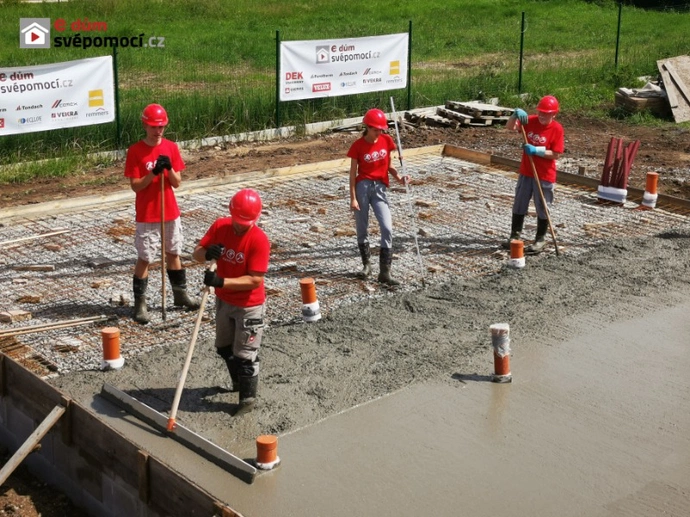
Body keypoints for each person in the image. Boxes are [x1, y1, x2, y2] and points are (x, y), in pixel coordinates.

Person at [193, 188, 270, 416]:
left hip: (249, 305)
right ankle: (238, 382)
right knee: (224, 347)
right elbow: (196, 252)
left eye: (245, 222)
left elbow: (255, 280)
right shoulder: (220, 227)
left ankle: (247, 401)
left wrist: (221, 281)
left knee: (245, 355)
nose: (239, 226)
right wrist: (207, 254)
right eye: (237, 221)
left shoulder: (259, 240)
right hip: (224, 301)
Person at [124, 103, 199, 324]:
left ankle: (180, 294)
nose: (158, 131)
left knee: (173, 252)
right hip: (148, 213)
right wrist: (153, 173)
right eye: (154, 127)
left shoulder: (171, 147)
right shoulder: (136, 151)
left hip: (170, 211)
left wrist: (168, 169)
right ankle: (140, 304)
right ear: (145, 126)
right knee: (146, 257)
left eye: (162, 127)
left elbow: (177, 183)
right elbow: (136, 186)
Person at [348, 108, 410, 285]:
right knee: (362, 226)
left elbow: (389, 166)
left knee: (387, 227)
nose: (379, 132)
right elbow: (353, 174)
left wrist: (399, 178)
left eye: (381, 129)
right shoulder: (357, 146)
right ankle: (366, 265)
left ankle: (385, 272)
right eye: (376, 129)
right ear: (367, 127)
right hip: (362, 187)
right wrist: (353, 197)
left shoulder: (387, 140)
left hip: (380, 188)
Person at [504, 95, 565, 254]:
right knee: (520, 203)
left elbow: (556, 154)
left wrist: (536, 150)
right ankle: (514, 235)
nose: (542, 116)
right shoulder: (530, 121)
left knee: (542, 206)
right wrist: (514, 115)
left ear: (554, 114)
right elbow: (510, 127)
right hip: (526, 171)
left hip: (544, 174)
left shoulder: (556, 129)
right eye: (541, 112)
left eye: (546, 113)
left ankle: (540, 239)